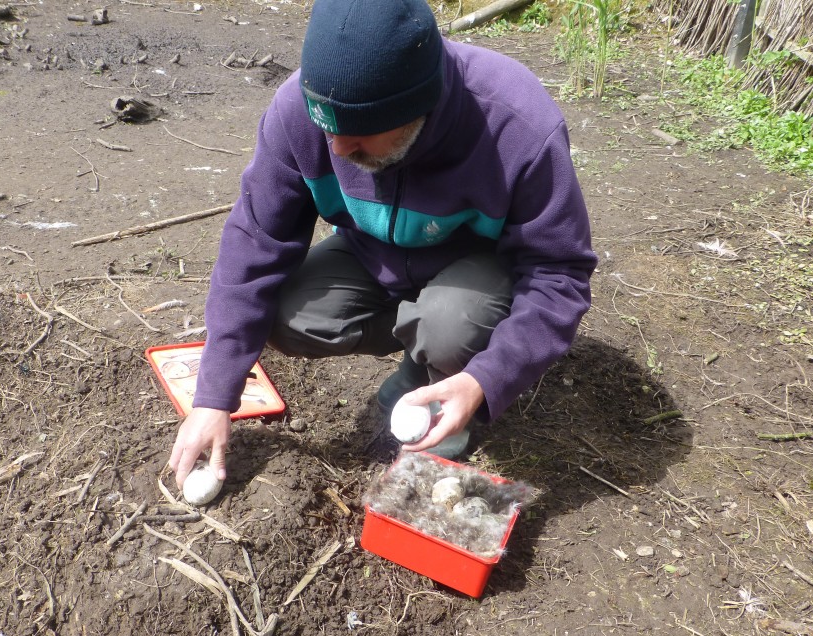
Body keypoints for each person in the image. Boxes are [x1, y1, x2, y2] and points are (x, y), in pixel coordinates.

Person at [169, 0, 596, 489]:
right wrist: (213, 397)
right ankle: (422, 338)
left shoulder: (515, 126)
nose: (336, 149)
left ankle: (436, 380)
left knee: (449, 326)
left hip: (478, 268)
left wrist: (487, 379)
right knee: (285, 315)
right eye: (327, 127)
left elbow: (559, 275)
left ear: (419, 106)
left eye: (358, 134)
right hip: (373, 254)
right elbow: (255, 241)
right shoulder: (300, 112)